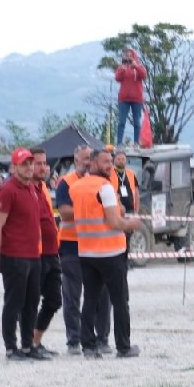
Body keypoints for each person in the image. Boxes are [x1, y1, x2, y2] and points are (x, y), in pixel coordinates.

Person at [70, 148, 142, 358]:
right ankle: (123, 346)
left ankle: (88, 346)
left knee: (90, 300)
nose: (109, 165)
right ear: (92, 164)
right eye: (105, 162)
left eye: (110, 161)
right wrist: (131, 224)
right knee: (120, 301)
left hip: (87, 252)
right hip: (110, 252)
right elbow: (113, 221)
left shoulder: (77, 187)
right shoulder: (106, 187)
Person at [0, 148, 51, 361]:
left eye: (31, 163)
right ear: (14, 167)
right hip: (14, 256)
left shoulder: (32, 188)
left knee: (32, 302)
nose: (30, 167)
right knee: (14, 303)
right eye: (25, 164)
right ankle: (10, 347)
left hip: (33, 256)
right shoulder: (7, 190)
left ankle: (27, 345)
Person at [55, 145, 111, 355]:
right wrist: (92, 209)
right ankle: (74, 340)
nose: (88, 162)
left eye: (90, 159)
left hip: (97, 244)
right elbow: (64, 212)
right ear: (76, 159)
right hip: (71, 246)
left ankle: (102, 338)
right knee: (72, 295)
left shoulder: (102, 183)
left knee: (102, 295)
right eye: (85, 158)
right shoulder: (66, 183)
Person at [30, 148, 62, 356]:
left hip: (51, 252)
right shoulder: (26, 189)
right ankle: (28, 344)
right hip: (35, 254)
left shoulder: (43, 188)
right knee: (31, 301)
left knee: (54, 300)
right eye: (38, 163)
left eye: (44, 163)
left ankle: (36, 340)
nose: (43, 167)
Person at [114, 48, 148, 146]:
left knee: (137, 121)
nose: (128, 58)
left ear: (134, 57)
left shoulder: (139, 66)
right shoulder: (121, 67)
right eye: (127, 56)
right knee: (121, 121)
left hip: (136, 98)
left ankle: (136, 142)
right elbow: (117, 78)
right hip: (123, 98)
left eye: (130, 56)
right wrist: (123, 69)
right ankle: (119, 143)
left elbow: (144, 75)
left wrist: (135, 66)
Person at [109, 149, 139, 215]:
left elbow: (136, 193)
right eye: (118, 159)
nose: (121, 161)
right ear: (113, 160)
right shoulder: (109, 173)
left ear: (126, 161)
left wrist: (136, 210)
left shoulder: (131, 173)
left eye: (123, 159)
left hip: (131, 209)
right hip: (115, 209)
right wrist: (119, 205)